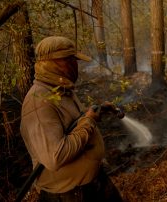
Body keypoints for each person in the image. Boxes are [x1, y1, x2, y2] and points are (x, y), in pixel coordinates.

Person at [20, 36, 123, 202]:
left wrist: (97, 111)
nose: (76, 65)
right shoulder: (38, 103)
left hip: (94, 184)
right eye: (71, 60)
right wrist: (89, 122)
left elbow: (75, 123)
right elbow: (55, 157)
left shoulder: (61, 90)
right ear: (55, 62)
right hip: (70, 195)